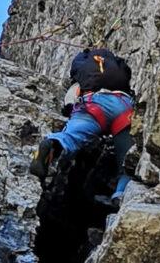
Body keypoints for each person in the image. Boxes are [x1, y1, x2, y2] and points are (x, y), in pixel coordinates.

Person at [30, 47, 135, 209]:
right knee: (127, 161)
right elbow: (127, 74)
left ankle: (53, 144)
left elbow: (75, 72)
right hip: (123, 105)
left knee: (71, 137)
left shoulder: (85, 60)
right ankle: (119, 195)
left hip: (93, 103)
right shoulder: (116, 63)